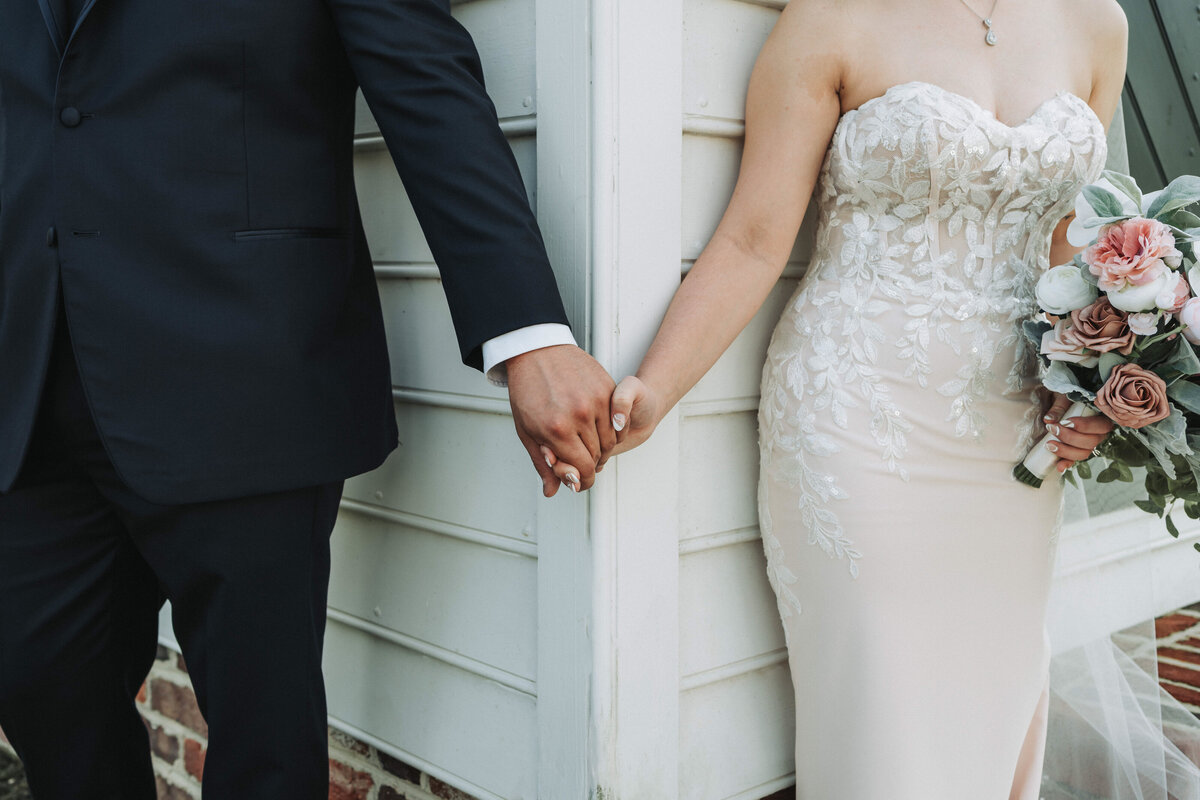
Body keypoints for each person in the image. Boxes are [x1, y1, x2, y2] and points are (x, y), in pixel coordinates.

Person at [0, 1, 613, 798]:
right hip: (29, 385)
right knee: (49, 713)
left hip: (244, 379)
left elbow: (426, 83)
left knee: (266, 750)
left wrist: (526, 333)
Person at [556, 0, 1128, 795]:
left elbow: (1069, 243)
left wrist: (1088, 387)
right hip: (858, 421)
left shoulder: (1098, 23)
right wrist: (655, 385)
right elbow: (755, 239)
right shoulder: (832, 16)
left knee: (994, 693)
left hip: (1017, 445)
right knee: (880, 716)